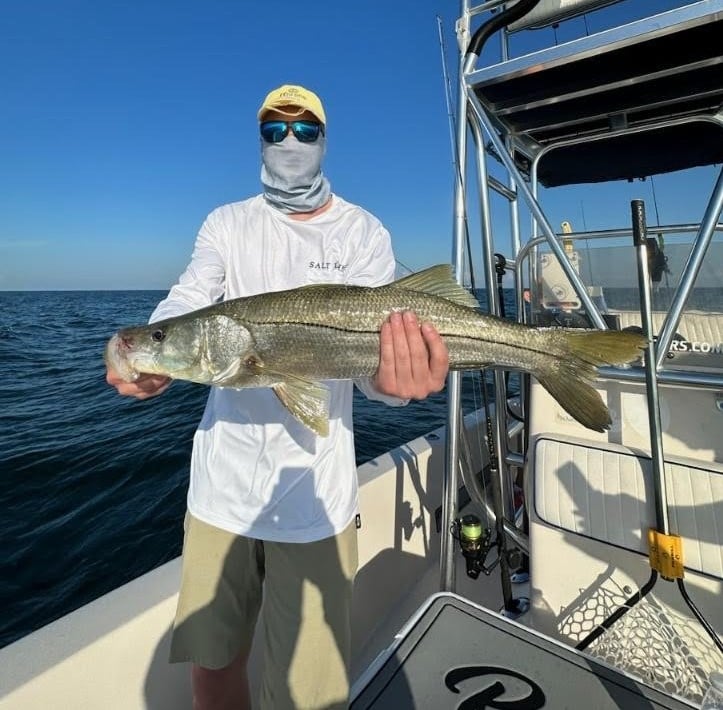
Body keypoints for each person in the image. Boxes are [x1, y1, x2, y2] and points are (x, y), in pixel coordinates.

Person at [106, 84, 449, 710]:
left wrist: (399, 389)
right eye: (273, 130)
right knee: (212, 665)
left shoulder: (363, 231)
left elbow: (377, 369)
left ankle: (554, 355)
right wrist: (149, 349)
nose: (289, 142)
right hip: (219, 494)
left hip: (316, 502)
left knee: (308, 695)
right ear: (259, 139)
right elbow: (191, 299)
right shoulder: (226, 223)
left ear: (324, 139)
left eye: (305, 129)